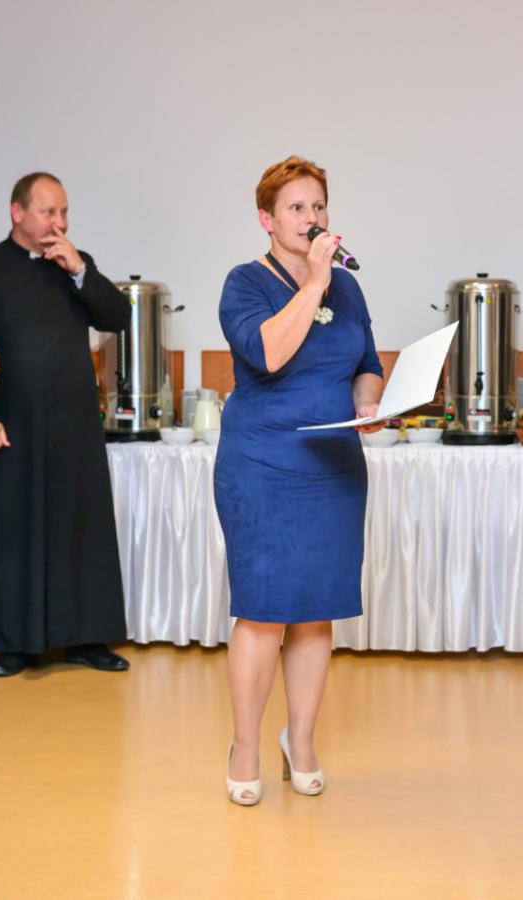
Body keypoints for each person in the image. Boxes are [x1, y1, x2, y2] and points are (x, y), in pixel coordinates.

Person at [214, 156, 385, 804]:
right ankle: (246, 746)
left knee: (316, 612)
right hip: (262, 465)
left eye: (318, 207)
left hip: (333, 467)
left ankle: (302, 740)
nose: (311, 218)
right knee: (263, 611)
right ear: (267, 219)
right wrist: (315, 282)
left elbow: (365, 360)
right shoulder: (244, 283)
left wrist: (369, 401)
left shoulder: (349, 288)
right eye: (296, 208)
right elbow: (267, 353)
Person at [0, 172, 131, 676]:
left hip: (74, 425)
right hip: (9, 423)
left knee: (79, 529)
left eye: (64, 213)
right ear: (17, 213)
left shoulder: (74, 262)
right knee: (6, 532)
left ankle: (86, 638)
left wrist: (79, 270)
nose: (58, 223)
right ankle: (11, 642)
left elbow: (117, 317)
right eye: (48, 212)